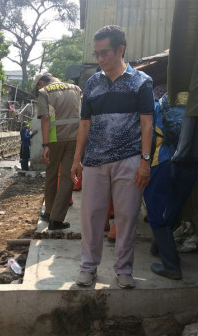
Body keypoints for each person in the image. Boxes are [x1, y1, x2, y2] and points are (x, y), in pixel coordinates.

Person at [71, 25, 153, 289]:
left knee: (127, 217)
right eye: (96, 54)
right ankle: (88, 267)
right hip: (95, 161)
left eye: (104, 53)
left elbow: (147, 125)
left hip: (128, 160)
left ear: (120, 50)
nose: (100, 59)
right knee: (92, 217)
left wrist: (145, 161)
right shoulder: (92, 83)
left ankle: (124, 270)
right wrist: (76, 159)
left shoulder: (141, 83)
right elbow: (84, 124)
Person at [144, 93, 198, 280]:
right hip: (190, 164)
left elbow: (149, 136)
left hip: (164, 161)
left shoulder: (161, 104)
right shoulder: (194, 104)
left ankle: (171, 265)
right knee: (173, 208)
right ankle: (159, 246)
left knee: (156, 213)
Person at [36, 73, 82, 230]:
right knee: (68, 177)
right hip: (74, 138)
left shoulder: (45, 92)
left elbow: (46, 119)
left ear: (42, 83)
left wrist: (45, 144)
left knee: (51, 175)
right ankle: (57, 219)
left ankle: (49, 212)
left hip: (54, 139)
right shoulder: (76, 89)